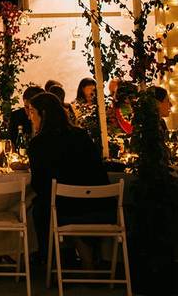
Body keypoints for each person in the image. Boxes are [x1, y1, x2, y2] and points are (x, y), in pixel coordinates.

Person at [27, 93, 110, 265]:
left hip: (63, 210)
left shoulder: (38, 144)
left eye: (32, 112)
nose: (30, 116)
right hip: (98, 206)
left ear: (43, 113)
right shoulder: (81, 135)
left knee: (39, 207)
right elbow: (99, 173)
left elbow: (39, 185)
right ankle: (84, 255)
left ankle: (53, 260)